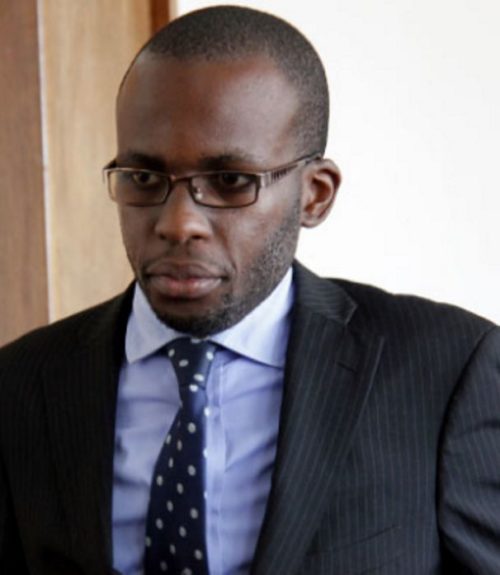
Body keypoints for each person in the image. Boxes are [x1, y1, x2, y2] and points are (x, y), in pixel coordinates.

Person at [1, 5, 499, 575]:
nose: (179, 223)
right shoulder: (21, 387)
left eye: (231, 181)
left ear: (315, 195)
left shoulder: (447, 373)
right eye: (143, 178)